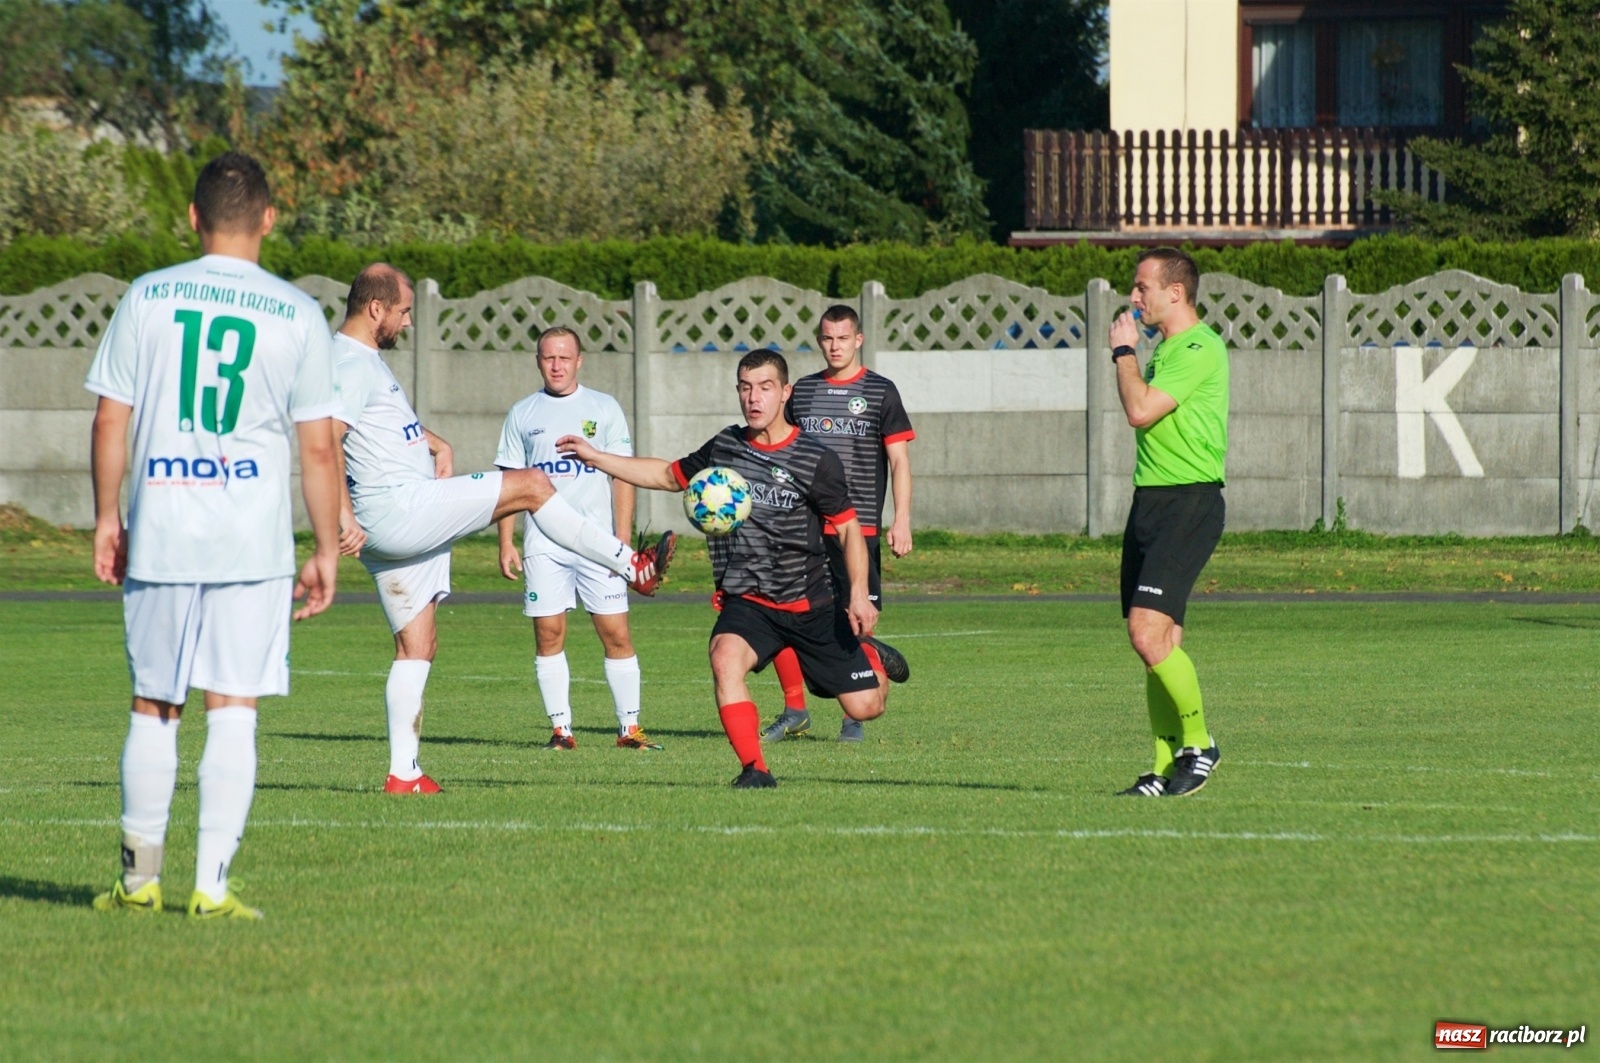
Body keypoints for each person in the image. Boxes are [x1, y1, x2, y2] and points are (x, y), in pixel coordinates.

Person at [87, 151, 344, 920]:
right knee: (233, 706)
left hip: (163, 527)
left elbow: (111, 418)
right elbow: (320, 447)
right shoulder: (296, 312)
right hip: (249, 543)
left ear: (193, 218)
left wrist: (109, 516)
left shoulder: (147, 296)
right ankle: (213, 887)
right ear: (269, 219)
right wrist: (327, 549)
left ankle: (138, 883)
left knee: (154, 705)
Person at [331, 264, 675, 793]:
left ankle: (404, 773)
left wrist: (434, 441)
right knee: (532, 483)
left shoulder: (363, 362)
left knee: (416, 646)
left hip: (396, 520)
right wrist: (339, 513)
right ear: (375, 309)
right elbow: (323, 438)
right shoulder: (350, 362)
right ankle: (632, 564)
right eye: (403, 312)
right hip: (402, 508)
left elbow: (378, 425)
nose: (407, 322)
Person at [556, 349, 906, 788]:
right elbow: (667, 475)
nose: (752, 398)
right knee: (724, 658)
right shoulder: (726, 446)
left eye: (764, 387)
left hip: (810, 604)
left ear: (785, 393)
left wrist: (857, 593)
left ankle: (869, 654)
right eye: (744, 387)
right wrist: (597, 457)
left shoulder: (816, 459)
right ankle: (754, 769)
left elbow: (850, 530)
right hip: (750, 603)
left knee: (864, 707)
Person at [495, 327, 659, 751]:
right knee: (549, 634)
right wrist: (506, 542)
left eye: (565, 358)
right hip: (544, 546)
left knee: (616, 634)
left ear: (579, 361)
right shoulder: (522, 413)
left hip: (597, 545)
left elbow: (623, 474)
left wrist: (621, 543)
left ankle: (630, 729)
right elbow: (509, 483)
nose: (556, 365)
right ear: (538, 360)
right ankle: (561, 731)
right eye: (549, 357)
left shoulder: (603, 408)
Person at [762, 304, 914, 743]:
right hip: (803, 527)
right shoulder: (803, 392)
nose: (834, 346)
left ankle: (855, 715)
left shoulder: (881, 391)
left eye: (842, 338)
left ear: (858, 340)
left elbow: (900, 462)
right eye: (827, 338)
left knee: (857, 620)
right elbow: (781, 448)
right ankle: (795, 710)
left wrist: (900, 520)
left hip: (859, 527)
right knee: (781, 613)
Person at [1107, 247, 1228, 797]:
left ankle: (1199, 745)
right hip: (1151, 503)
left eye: (1142, 287)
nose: (1135, 297)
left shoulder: (1198, 347)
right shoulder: (1167, 351)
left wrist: (1123, 353)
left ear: (1174, 292)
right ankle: (1161, 768)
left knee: (1146, 632)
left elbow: (1139, 410)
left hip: (1187, 503)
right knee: (1157, 642)